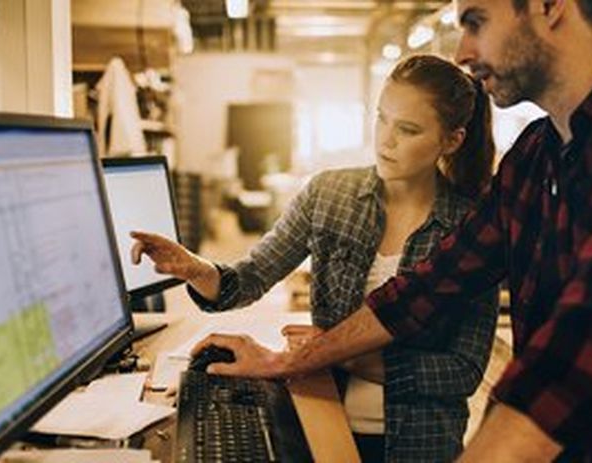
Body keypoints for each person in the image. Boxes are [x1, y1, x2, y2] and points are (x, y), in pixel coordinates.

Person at [189, 0, 592, 461]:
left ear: (550, 6)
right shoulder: (533, 159)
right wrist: (287, 361)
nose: (463, 50)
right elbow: (426, 289)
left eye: (476, 22)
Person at [131, 54, 498, 462]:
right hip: (321, 411)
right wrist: (193, 267)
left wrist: (339, 353)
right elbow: (248, 279)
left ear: (452, 140)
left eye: (407, 129)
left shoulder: (472, 227)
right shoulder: (329, 195)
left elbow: (462, 371)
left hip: (418, 443)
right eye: (381, 118)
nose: (385, 140)